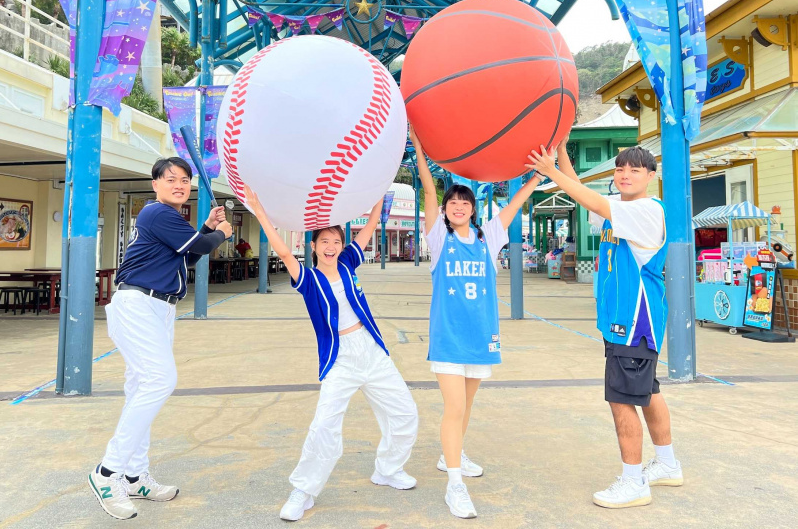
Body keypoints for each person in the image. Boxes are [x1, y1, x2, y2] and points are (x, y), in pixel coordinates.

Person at [242, 184, 419, 522]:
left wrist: (378, 195)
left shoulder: (349, 262)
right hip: (341, 359)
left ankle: (388, 469)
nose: (331, 247)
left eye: (336, 241)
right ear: (313, 246)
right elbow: (283, 252)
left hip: (371, 350)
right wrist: (260, 212)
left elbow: (370, 227)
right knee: (324, 425)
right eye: (324, 241)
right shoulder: (308, 279)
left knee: (405, 413)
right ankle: (303, 490)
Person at [528, 140, 682, 509]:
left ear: (651, 176)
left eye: (635, 170)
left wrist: (550, 172)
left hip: (634, 321)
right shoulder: (620, 210)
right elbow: (584, 195)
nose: (625, 175)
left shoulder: (646, 210)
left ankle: (633, 482)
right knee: (648, 392)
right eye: (620, 168)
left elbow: (593, 201)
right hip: (622, 320)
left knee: (621, 400)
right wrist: (561, 152)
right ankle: (667, 463)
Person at [88, 157, 232, 521]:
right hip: (138, 303)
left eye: (184, 180)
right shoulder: (157, 212)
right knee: (159, 380)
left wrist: (206, 227)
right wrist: (221, 234)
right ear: (155, 185)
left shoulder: (170, 220)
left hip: (158, 308)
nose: (179, 185)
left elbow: (188, 253)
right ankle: (107, 472)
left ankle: (135, 476)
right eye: (171, 179)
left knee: (141, 389)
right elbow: (201, 248)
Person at [411, 129, 541, 519]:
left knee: (465, 407)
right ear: (446, 209)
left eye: (464, 202)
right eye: (452, 202)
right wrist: (420, 148)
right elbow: (429, 191)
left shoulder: (488, 238)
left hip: (481, 336)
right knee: (454, 407)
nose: (457, 206)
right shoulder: (438, 238)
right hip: (449, 336)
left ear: (472, 209)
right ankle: (455, 485)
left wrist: (538, 176)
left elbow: (515, 202)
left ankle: (451, 455)